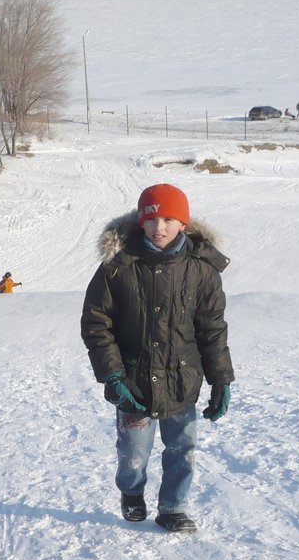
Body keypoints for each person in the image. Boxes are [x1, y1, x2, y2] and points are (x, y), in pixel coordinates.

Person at [81, 184, 233, 533]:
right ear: (140, 222)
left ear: (183, 223)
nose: (159, 228)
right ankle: (131, 492)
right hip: (133, 382)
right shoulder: (118, 266)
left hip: (183, 381)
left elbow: (212, 329)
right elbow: (96, 323)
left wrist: (220, 378)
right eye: (151, 219)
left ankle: (173, 509)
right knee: (133, 454)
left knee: (183, 451)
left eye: (168, 219)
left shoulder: (201, 269)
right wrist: (113, 375)